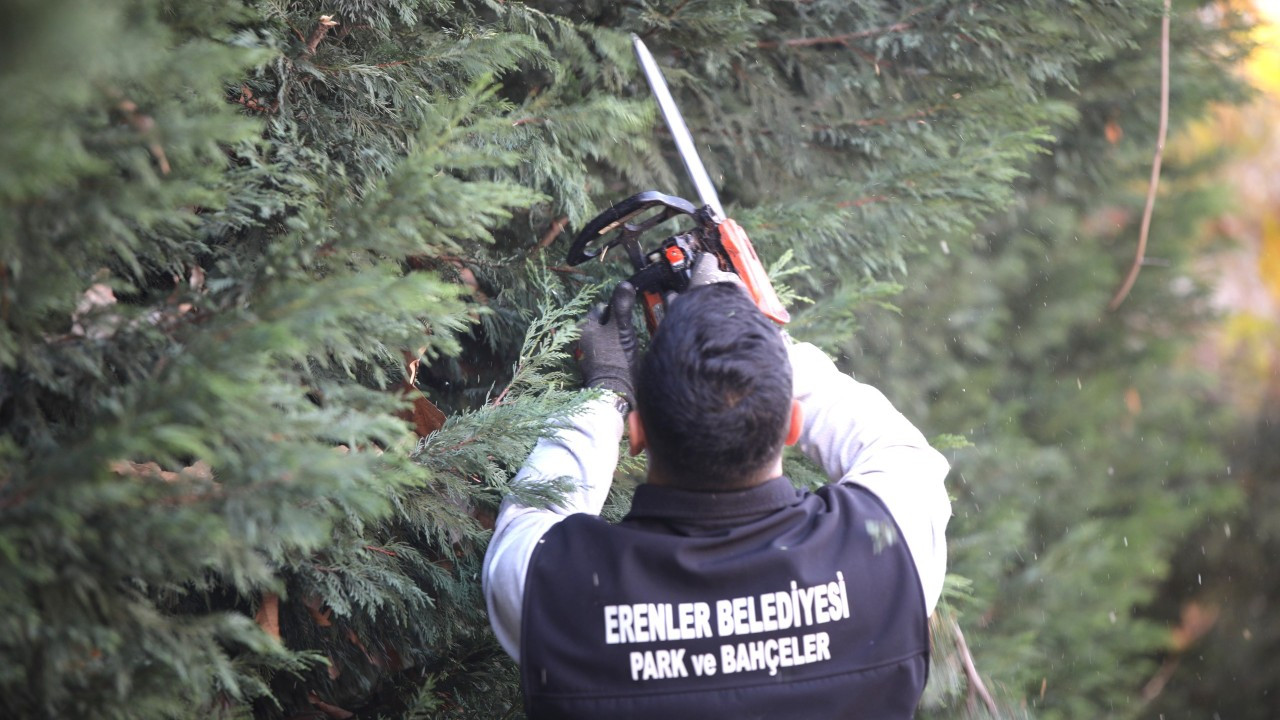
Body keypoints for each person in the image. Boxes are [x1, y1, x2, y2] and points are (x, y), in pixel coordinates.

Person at [483, 257, 951, 719]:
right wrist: (755, 338)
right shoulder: (891, 551)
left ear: (638, 434)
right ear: (791, 424)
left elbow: (530, 516)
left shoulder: (554, 587)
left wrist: (605, 392)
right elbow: (894, 448)